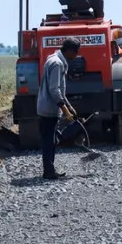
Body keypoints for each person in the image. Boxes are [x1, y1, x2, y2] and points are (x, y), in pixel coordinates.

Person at [37, 38, 80, 180]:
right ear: (68, 51)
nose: (75, 56)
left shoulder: (54, 59)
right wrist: (65, 111)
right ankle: (48, 172)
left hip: (45, 107)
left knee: (52, 140)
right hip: (49, 109)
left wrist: (69, 106)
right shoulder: (57, 64)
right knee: (49, 142)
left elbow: (60, 90)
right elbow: (55, 90)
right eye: (75, 53)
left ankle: (50, 169)